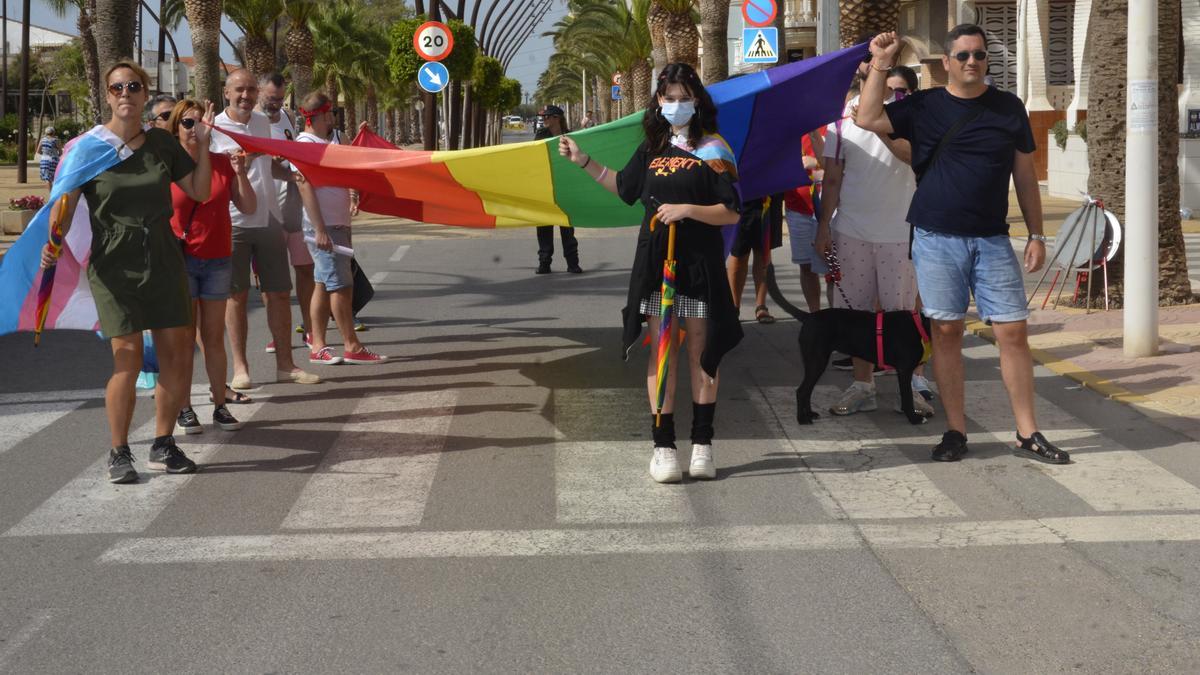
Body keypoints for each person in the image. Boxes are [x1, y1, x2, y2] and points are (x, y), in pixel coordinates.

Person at [856, 26, 1069, 465]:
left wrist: (1035, 234)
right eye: (963, 55)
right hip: (936, 237)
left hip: (993, 238)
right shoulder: (926, 104)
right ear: (947, 62)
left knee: (1012, 332)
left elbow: (1025, 176)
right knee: (947, 332)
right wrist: (880, 63)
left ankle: (1027, 432)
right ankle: (955, 431)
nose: (972, 61)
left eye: (979, 55)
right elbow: (868, 118)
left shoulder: (1009, 107)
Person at [558, 63, 742, 483]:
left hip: (699, 265)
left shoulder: (715, 149)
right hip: (657, 263)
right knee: (662, 351)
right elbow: (623, 187)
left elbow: (731, 212)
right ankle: (663, 447)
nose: (677, 105)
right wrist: (583, 160)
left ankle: (702, 445)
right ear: (658, 102)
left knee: (702, 352)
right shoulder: (651, 148)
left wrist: (687, 210)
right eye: (669, 98)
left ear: (698, 100)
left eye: (684, 97)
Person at [40, 61, 213, 483]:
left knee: (176, 353)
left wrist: (201, 146)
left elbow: (200, 192)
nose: (125, 94)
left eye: (133, 86)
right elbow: (61, 205)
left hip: (163, 256)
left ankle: (163, 444)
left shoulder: (160, 143)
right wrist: (53, 240)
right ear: (107, 94)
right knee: (128, 358)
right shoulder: (86, 149)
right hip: (113, 261)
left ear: (144, 92)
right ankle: (119, 451)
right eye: (117, 87)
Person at [814, 59, 934, 419]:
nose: (888, 94)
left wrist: (882, 126)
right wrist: (823, 228)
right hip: (851, 232)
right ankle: (863, 386)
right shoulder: (840, 127)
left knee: (905, 317)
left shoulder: (914, 122)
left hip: (901, 234)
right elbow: (832, 180)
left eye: (895, 89)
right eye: (879, 85)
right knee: (855, 316)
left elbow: (916, 159)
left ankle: (912, 386)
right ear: (867, 86)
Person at [213, 69, 320, 388]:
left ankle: (285, 365)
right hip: (233, 222)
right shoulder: (215, 126)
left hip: (269, 219)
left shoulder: (263, 123)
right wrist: (253, 154)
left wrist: (291, 174)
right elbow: (220, 169)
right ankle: (241, 368)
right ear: (227, 93)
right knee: (237, 296)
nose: (245, 96)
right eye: (239, 90)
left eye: (250, 90)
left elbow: (268, 164)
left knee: (278, 294)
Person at [168, 99, 257, 435]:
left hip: (219, 259)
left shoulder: (221, 163)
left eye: (198, 123)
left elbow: (248, 206)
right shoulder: (168, 166)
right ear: (176, 129)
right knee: (185, 337)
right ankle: (185, 408)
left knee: (213, 337)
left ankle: (219, 405)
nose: (194, 130)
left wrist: (241, 175)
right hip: (182, 261)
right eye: (187, 124)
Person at [295, 92, 388, 365]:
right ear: (322, 115)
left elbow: (353, 163)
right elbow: (304, 186)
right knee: (341, 286)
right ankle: (351, 345)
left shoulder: (335, 138)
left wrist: (353, 196)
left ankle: (318, 346)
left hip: (339, 224)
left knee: (323, 285)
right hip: (323, 228)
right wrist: (320, 229)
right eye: (331, 114)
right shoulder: (304, 144)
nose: (333, 119)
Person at [257, 72, 315, 350]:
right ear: (258, 92)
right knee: (272, 279)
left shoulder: (287, 117)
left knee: (306, 269)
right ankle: (277, 334)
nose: (276, 104)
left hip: (294, 204)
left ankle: (311, 329)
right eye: (271, 98)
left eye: (280, 98)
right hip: (265, 210)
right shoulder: (249, 122)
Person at [533, 105, 582, 274]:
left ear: (557, 118)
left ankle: (573, 263)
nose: (544, 119)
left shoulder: (571, 137)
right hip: (545, 186)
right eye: (543, 117)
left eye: (547, 116)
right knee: (544, 227)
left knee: (567, 227)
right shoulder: (540, 135)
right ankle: (544, 263)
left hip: (566, 186)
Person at [783, 130, 827, 313]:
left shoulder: (833, 124)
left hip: (828, 210)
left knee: (832, 270)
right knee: (806, 266)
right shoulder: (790, 129)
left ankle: (839, 319)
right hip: (797, 207)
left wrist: (815, 162)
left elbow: (846, 164)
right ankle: (815, 316)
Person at [726, 192, 784, 323]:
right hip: (742, 198)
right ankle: (734, 307)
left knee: (763, 253)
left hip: (770, 198)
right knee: (739, 255)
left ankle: (761, 306)